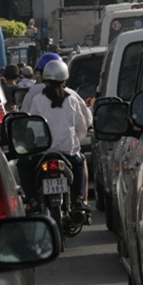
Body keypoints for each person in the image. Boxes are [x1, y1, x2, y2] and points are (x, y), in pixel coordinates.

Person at [28, 59, 93, 212]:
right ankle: (79, 199)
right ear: (64, 80)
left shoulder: (37, 100)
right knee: (80, 163)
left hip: (42, 153)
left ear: (45, 79)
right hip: (68, 153)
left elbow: (31, 125)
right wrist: (75, 143)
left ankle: (32, 201)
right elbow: (81, 128)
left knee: (23, 165)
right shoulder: (72, 100)